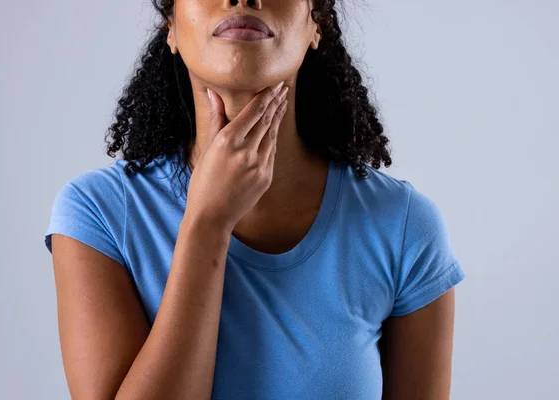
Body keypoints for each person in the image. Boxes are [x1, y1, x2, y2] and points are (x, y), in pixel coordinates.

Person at [44, 0, 466, 399]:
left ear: (315, 24)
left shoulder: (405, 226)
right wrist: (207, 223)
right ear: (170, 25)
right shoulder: (97, 214)